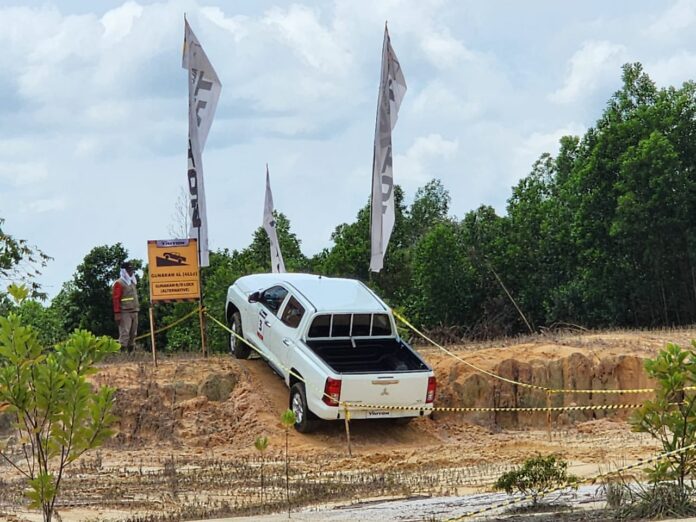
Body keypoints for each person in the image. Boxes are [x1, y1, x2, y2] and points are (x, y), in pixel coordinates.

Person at [112, 261, 140, 353]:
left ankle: (131, 354)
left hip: (134, 311)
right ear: (124, 271)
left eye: (132, 270)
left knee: (133, 334)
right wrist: (117, 313)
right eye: (129, 270)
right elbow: (116, 299)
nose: (131, 272)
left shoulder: (132, 282)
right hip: (124, 312)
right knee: (125, 333)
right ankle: (122, 354)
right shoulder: (119, 283)